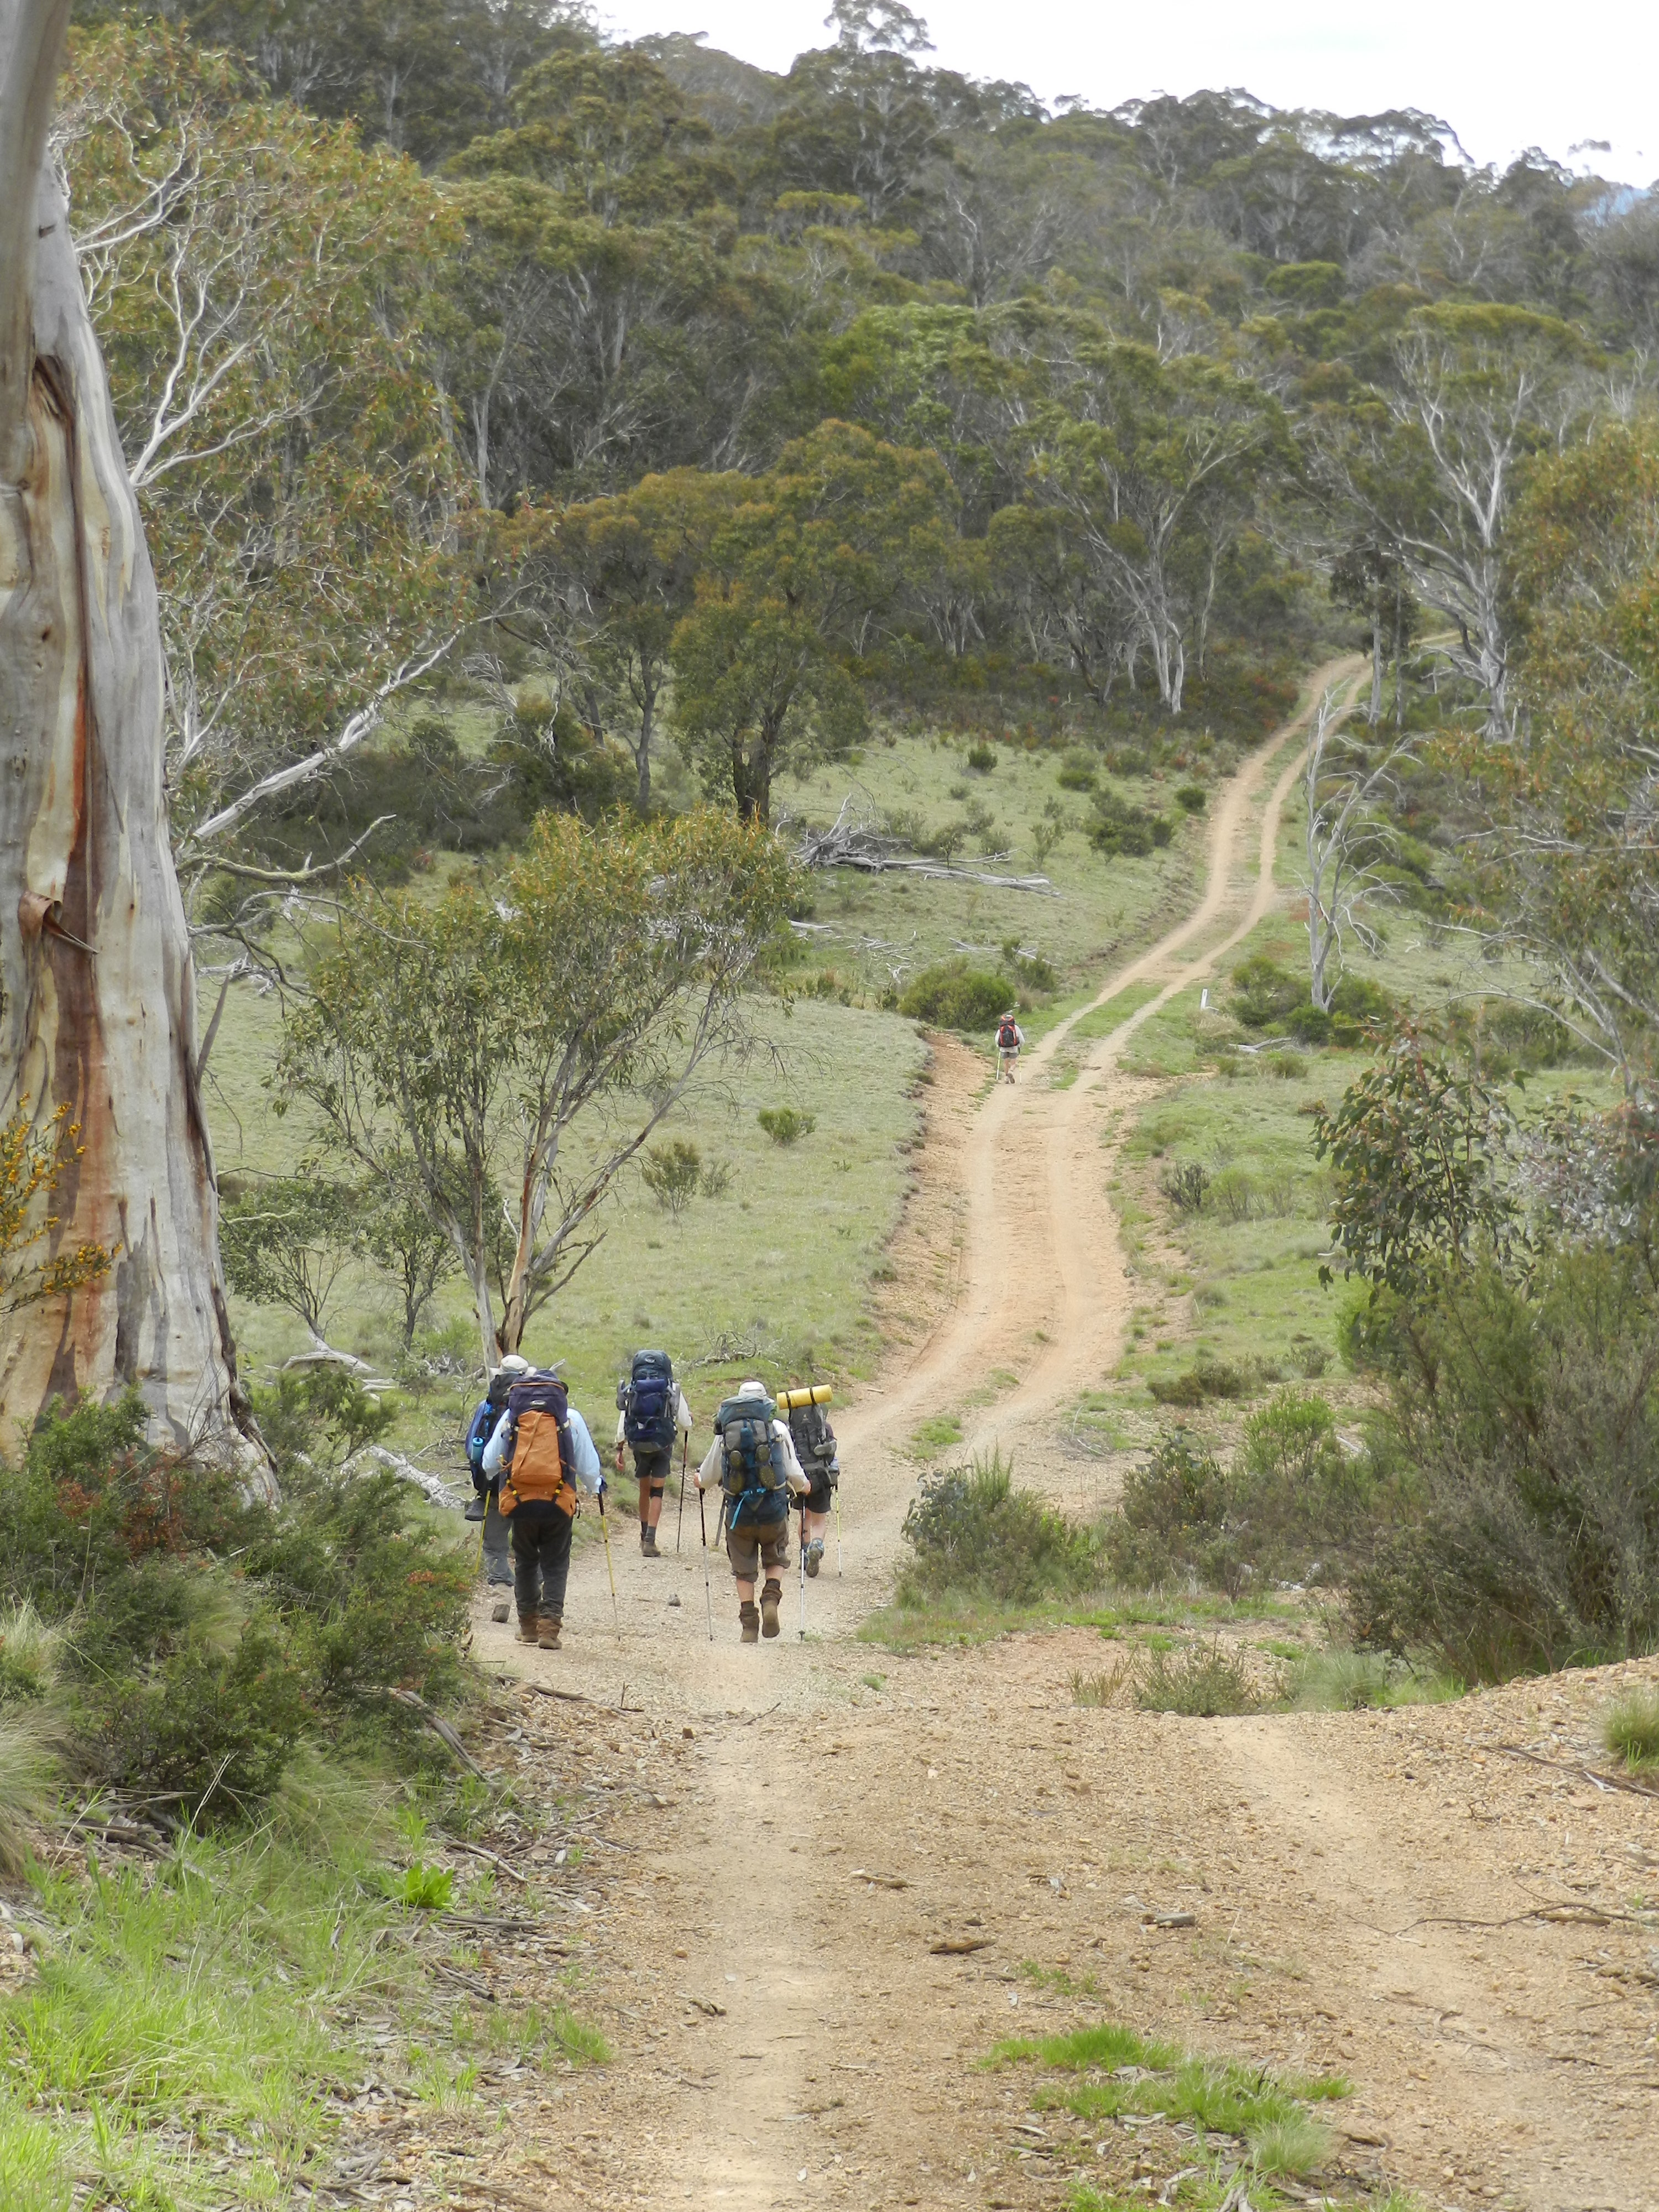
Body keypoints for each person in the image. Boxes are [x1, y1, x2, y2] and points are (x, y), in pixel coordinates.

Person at [481, 1365, 604, 1650]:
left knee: (525, 1560)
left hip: (520, 1500)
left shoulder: (512, 1417)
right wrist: (596, 1486)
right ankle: (549, 1629)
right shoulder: (569, 1418)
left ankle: (527, 1627)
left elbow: (489, 1463)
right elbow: (588, 1466)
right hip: (559, 1501)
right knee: (556, 1562)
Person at [695, 1380, 808, 1642]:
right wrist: (804, 1486)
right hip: (773, 1508)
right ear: (765, 1402)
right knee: (776, 1556)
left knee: (743, 1569)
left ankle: (749, 1625)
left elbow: (710, 1473)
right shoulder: (776, 1427)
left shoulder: (726, 1431)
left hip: (739, 1513)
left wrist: (699, 1480)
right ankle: (770, 1598)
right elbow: (792, 1469)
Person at [463, 1353, 530, 1622]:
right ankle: (534, 1596)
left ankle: (502, 1597)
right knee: (530, 1546)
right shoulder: (540, 1409)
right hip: (532, 1485)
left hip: (495, 1487)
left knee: (494, 1545)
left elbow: (472, 1449)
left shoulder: (488, 1406)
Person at [613, 1349, 693, 1558]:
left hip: (638, 1442)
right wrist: (688, 1421)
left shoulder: (634, 1388)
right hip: (662, 1442)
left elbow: (624, 1417)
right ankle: (650, 1539)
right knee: (657, 1491)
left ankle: (642, 1533)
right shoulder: (671, 1388)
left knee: (643, 1487)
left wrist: (620, 1448)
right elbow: (685, 1422)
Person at [779, 1384, 838, 1578]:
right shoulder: (824, 1428)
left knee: (804, 1517)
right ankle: (817, 1545)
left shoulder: (790, 1429)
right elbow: (831, 1454)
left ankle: (804, 1554)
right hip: (820, 1476)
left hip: (799, 1479)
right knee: (819, 1521)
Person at [995, 1008, 1026, 1084]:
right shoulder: (1015, 1027)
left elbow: (997, 1038)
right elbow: (1022, 1039)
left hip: (1003, 1048)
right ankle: (1011, 1072)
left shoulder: (1001, 1027)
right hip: (1013, 1047)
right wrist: (1020, 1045)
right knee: (1013, 1063)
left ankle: (1006, 1078)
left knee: (1005, 1063)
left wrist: (998, 1045)